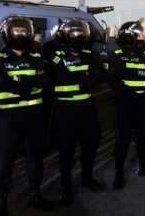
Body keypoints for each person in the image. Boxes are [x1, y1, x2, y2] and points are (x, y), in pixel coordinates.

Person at [0, 16, 53, 215]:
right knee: (5, 160)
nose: (20, 35)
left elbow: (46, 82)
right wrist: (30, 82)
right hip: (9, 119)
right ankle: (1, 201)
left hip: (34, 117)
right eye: (16, 31)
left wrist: (19, 83)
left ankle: (35, 195)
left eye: (23, 31)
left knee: (35, 158)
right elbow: (0, 83)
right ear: (7, 34)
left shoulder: (37, 57)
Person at [46, 18, 104, 205]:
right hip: (65, 110)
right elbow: (53, 79)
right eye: (75, 33)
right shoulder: (54, 54)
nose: (79, 37)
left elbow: (98, 75)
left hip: (87, 108)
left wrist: (78, 78)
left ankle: (87, 178)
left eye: (82, 33)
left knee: (91, 146)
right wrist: (83, 78)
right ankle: (66, 187)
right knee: (66, 152)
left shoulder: (89, 53)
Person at [105, 20, 145, 189]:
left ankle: (143, 166)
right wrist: (132, 95)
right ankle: (119, 173)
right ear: (130, 35)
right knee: (123, 141)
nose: (143, 37)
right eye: (140, 34)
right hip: (126, 106)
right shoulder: (116, 55)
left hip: (143, 105)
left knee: (144, 138)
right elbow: (114, 80)